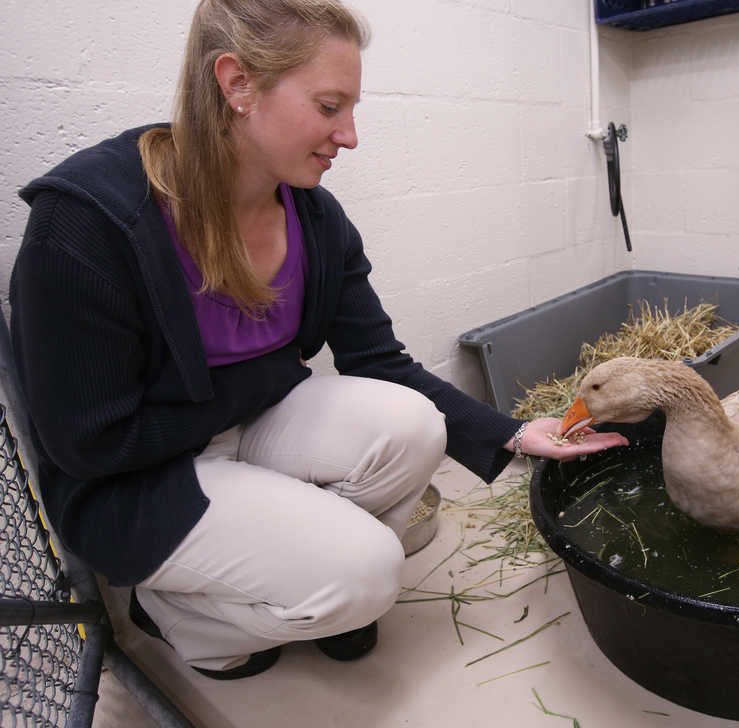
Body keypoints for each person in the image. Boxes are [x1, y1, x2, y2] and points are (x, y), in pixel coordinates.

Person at [9, 0, 627, 680]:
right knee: (367, 572)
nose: (350, 136)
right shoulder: (89, 223)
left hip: (246, 428)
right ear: (237, 84)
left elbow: (378, 360)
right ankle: (191, 621)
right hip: (139, 477)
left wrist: (512, 433)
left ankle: (300, 584)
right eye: (330, 106)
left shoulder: (313, 215)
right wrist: (265, 380)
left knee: (414, 425)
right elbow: (87, 442)